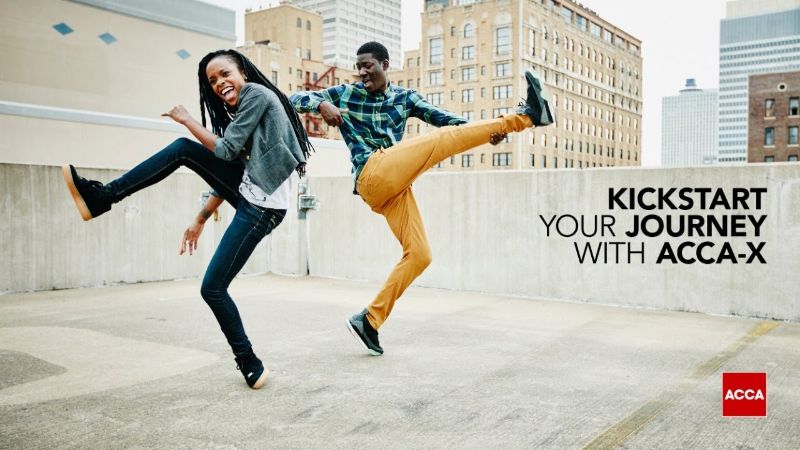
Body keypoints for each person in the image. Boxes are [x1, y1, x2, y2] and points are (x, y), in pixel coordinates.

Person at [61, 49, 312, 389]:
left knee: (213, 288)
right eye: (213, 81)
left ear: (244, 74)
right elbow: (235, 173)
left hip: (262, 210)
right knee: (183, 150)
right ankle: (102, 198)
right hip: (255, 198)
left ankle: (249, 362)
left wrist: (187, 119)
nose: (220, 83)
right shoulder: (249, 110)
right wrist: (201, 218)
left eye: (225, 74)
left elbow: (223, 153)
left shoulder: (256, 94)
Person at [290, 42, 553, 356]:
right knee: (438, 142)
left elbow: (446, 121)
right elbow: (292, 100)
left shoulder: (404, 98)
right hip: (371, 174)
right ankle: (526, 118)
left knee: (419, 255)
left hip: (393, 189)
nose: (362, 72)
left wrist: (488, 132)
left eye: (368, 66)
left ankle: (370, 321)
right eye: (358, 67)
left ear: (385, 65)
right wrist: (320, 104)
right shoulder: (344, 94)